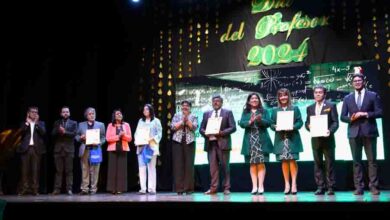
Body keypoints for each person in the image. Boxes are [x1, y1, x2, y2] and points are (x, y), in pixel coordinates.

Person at [341, 71, 382, 195]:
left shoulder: (373, 95)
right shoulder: (347, 98)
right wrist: (351, 119)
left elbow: (380, 112)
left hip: (369, 132)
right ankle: (359, 187)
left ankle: (373, 187)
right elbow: (343, 117)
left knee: (372, 161)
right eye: (355, 81)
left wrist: (365, 114)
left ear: (363, 82)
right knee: (356, 162)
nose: (357, 83)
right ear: (352, 83)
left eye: (359, 81)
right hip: (354, 133)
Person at [305, 85, 339, 195]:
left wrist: (330, 131)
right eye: (316, 92)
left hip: (328, 139)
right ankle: (320, 187)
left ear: (324, 94)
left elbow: (335, 122)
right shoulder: (310, 108)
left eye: (320, 92)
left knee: (330, 164)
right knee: (317, 164)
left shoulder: (331, 105)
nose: (318, 94)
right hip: (315, 140)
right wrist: (308, 126)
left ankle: (331, 187)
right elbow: (306, 123)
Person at [199, 95, 236, 195]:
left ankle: (226, 188)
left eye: (218, 101)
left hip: (223, 143)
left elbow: (233, 127)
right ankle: (213, 188)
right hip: (210, 144)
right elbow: (201, 129)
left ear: (221, 103)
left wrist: (221, 132)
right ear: (212, 102)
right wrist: (206, 132)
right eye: (214, 101)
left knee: (225, 167)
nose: (216, 103)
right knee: (213, 168)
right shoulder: (207, 114)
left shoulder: (227, 112)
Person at [238, 93, 273, 195]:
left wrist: (260, 120)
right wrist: (250, 121)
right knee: (252, 164)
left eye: (256, 98)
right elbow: (241, 123)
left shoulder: (264, 111)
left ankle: (261, 186)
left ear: (259, 100)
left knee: (261, 163)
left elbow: (269, 123)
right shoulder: (245, 112)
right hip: (250, 141)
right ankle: (254, 186)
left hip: (261, 140)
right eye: (252, 98)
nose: (254, 100)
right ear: (249, 101)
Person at [270, 88, 303, 195]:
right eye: (281, 96)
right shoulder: (275, 110)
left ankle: (294, 184)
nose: (283, 97)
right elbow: (271, 124)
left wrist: (293, 126)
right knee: (284, 161)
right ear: (278, 98)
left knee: (292, 160)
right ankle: (287, 184)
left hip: (292, 138)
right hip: (280, 139)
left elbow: (300, 122)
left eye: (285, 95)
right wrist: (274, 126)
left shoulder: (295, 108)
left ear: (288, 96)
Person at [75, 107, 106, 195]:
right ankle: (84, 189)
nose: (92, 115)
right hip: (85, 149)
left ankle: (93, 189)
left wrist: (99, 142)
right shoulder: (81, 125)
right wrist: (80, 138)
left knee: (95, 170)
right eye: (90, 114)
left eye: (93, 113)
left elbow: (103, 137)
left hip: (95, 149)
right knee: (85, 169)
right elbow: (76, 136)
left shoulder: (100, 125)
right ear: (86, 115)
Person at [170, 100, 198, 195]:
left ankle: (189, 188)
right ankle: (179, 189)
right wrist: (182, 121)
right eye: (183, 106)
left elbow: (194, 127)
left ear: (190, 107)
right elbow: (173, 127)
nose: (184, 107)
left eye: (186, 106)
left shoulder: (194, 116)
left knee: (189, 165)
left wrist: (187, 121)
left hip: (189, 142)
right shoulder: (177, 115)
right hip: (177, 141)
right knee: (178, 165)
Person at [17, 106, 46, 196]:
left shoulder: (41, 123)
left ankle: (35, 189)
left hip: (36, 150)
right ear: (28, 113)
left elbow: (43, 133)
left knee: (35, 170)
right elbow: (20, 133)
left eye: (36, 112)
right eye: (32, 112)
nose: (34, 113)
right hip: (25, 149)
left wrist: (36, 124)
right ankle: (24, 189)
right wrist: (27, 124)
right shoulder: (23, 123)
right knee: (25, 171)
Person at [134, 104, 162, 194]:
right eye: (144, 110)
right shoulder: (140, 121)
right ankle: (143, 188)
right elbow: (136, 133)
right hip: (141, 147)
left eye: (147, 109)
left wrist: (152, 138)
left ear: (151, 110)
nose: (145, 111)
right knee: (142, 167)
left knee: (151, 168)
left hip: (151, 146)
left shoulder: (156, 121)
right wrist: (137, 140)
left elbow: (159, 134)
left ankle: (151, 188)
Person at [51, 106, 78, 195]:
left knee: (69, 171)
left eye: (67, 112)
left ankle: (69, 189)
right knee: (58, 171)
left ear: (69, 113)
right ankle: (57, 189)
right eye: (64, 112)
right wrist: (59, 131)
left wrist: (65, 132)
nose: (65, 113)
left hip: (69, 150)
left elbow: (74, 134)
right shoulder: (57, 122)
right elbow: (52, 134)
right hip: (58, 150)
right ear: (61, 113)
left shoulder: (74, 123)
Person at [106, 109, 132, 195]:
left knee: (122, 170)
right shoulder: (110, 125)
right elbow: (108, 138)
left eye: (120, 114)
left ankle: (120, 188)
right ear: (114, 116)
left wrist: (123, 135)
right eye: (117, 114)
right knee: (112, 169)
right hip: (113, 148)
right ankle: (112, 188)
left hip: (123, 148)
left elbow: (130, 138)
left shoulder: (126, 125)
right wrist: (118, 136)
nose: (119, 115)